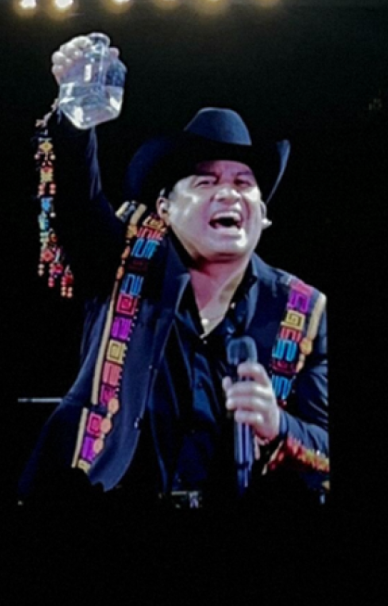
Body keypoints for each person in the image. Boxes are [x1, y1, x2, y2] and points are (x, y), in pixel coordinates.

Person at [19, 35, 329, 507]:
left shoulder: (302, 310)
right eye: (207, 181)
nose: (229, 193)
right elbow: (75, 202)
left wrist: (278, 425)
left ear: (262, 214)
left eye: (244, 184)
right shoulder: (125, 259)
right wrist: (75, 118)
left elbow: (327, 450)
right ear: (163, 207)